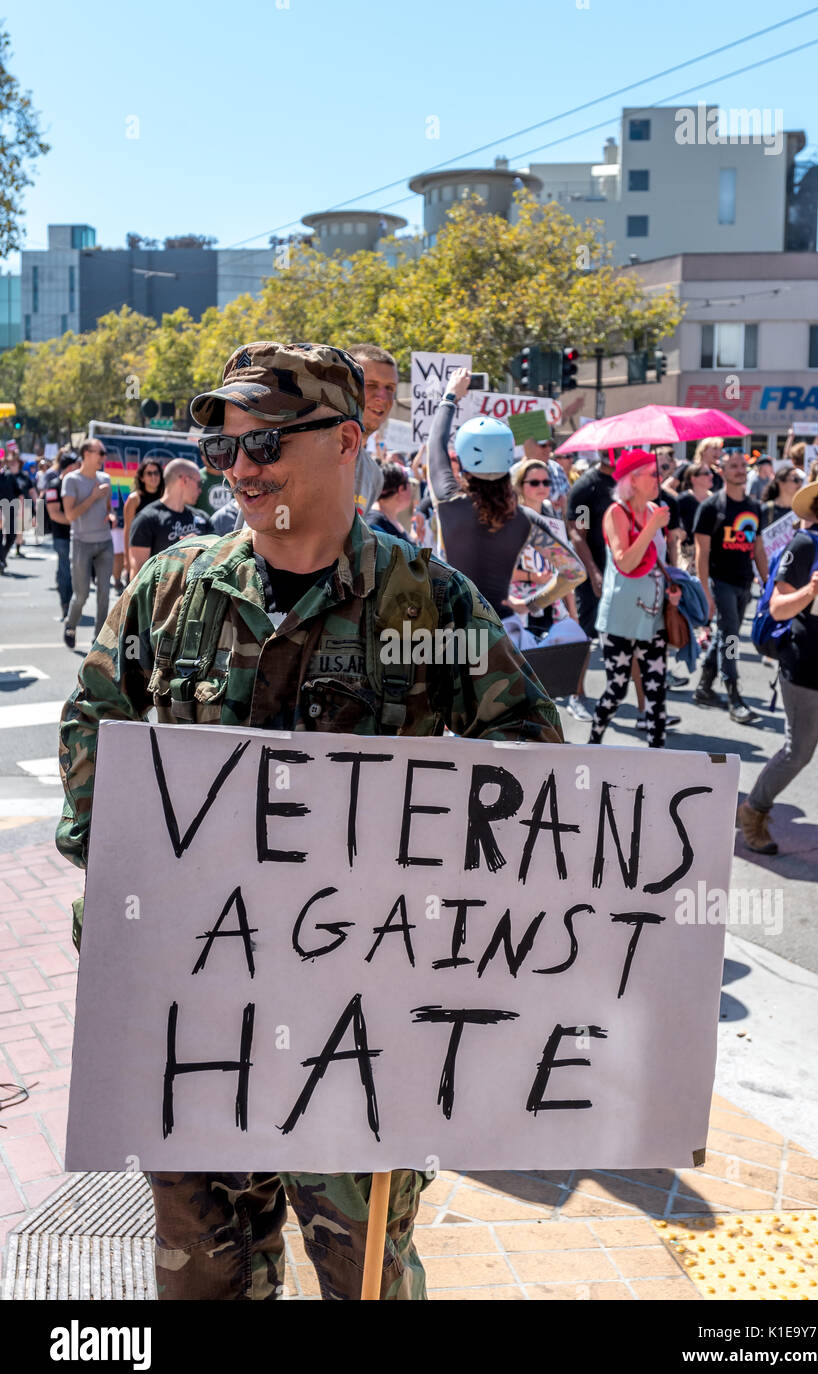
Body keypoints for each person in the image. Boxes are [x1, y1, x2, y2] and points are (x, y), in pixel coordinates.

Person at [57, 340, 562, 1302]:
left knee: (364, 1279)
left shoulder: (426, 601)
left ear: (343, 442)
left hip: (360, 1030)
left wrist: (436, 877)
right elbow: (95, 715)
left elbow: (528, 750)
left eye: (265, 444)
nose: (242, 470)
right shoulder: (174, 589)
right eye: (226, 449)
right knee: (203, 1283)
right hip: (195, 1019)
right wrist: (112, 868)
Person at [737, 462, 818, 874]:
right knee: (798, 753)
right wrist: (812, 590)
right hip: (809, 669)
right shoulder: (806, 544)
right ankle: (753, 812)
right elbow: (777, 607)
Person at [427, 368, 584, 640]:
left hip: (455, 634)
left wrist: (450, 396)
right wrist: (530, 604)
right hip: (504, 636)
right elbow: (573, 573)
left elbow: (435, 444)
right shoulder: (524, 519)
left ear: (462, 461)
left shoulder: (448, 500)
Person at [587, 450, 682, 749]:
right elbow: (625, 563)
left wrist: (672, 588)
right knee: (617, 690)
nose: (660, 478)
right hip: (619, 619)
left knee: (657, 692)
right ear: (633, 480)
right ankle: (593, 743)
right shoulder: (617, 513)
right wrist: (653, 526)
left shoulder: (655, 509)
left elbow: (659, 560)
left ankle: (658, 758)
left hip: (653, 615)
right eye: (653, 474)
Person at [692, 447, 768, 723]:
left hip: (744, 583)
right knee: (731, 638)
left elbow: (758, 549)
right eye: (733, 466)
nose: (739, 470)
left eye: (741, 465)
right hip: (720, 582)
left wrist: (767, 583)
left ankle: (703, 688)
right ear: (721, 471)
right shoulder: (711, 507)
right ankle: (734, 694)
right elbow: (702, 553)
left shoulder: (754, 506)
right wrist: (704, 591)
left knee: (727, 633)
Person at [565, 450, 617, 720]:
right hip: (592, 575)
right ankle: (576, 695)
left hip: (622, 574)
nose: (616, 454)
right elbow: (578, 534)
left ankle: (647, 708)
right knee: (584, 637)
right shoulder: (587, 486)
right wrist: (594, 573)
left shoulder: (626, 481)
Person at [510, 457, 583, 646]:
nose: (541, 486)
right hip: (519, 606)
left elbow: (567, 568)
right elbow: (498, 571)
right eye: (534, 482)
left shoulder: (552, 516)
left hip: (551, 604)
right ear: (520, 486)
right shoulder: (511, 520)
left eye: (546, 482)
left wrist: (573, 614)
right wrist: (531, 576)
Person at [60, 438, 115, 650]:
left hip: (104, 542)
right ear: (86, 454)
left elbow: (109, 507)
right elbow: (71, 515)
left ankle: (98, 639)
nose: (103, 457)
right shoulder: (71, 480)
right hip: (81, 542)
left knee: (104, 593)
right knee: (81, 594)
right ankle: (70, 624)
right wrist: (92, 496)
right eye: (99, 453)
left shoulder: (106, 479)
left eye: (104, 453)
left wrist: (111, 515)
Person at [127, 459, 211, 577]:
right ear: (185, 480)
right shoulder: (146, 519)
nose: (200, 490)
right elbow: (138, 577)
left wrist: (201, 544)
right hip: (162, 593)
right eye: (199, 483)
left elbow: (216, 560)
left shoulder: (203, 518)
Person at [347, 342, 399, 516]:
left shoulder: (374, 475)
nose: (382, 397)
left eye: (390, 388)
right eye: (371, 385)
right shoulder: (311, 453)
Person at [41, 449, 79, 620]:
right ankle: (66, 605)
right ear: (69, 467)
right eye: (77, 465)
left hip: (80, 536)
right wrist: (77, 521)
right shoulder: (54, 485)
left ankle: (70, 604)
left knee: (75, 572)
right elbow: (54, 513)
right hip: (62, 536)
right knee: (65, 571)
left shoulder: (80, 484)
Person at [123, 459, 165, 579]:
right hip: (139, 553)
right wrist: (127, 559)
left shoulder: (165, 497)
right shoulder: (134, 499)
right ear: (142, 478)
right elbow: (128, 530)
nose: (153, 476)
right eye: (149, 473)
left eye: (156, 473)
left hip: (160, 552)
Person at [676, 458, 716, 575]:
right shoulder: (682, 500)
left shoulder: (716, 501)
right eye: (706, 473)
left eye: (711, 473)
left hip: (713, 555)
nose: (711, 476)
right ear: (694, 478)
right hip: (689, 555)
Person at [0, 453, 37, 572]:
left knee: (12, 537)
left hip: (11, 510)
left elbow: (20, 493)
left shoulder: (9, 476)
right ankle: (1, 561)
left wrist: (23, 508)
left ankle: (2, 557)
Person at [523, 433, 568, 516]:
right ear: (530, 447)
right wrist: (545, 507)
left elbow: (568, 493)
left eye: (550, 445)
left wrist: (564, 502)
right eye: (543, 445)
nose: (548, 449)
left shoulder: (557, 468)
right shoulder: (517, 470)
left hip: (556, 524)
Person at [366, 461, 413, 538]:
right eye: (409, 484)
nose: (411, 489)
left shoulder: (388, 517)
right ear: (401, 489)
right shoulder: (374, 523)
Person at [760, 463, 804, 529]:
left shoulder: (801, 511)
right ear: (781, 483)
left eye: (801, 480)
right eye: (796, 480)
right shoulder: (767, 510)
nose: (800, 484)